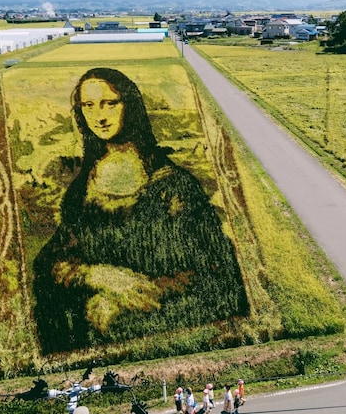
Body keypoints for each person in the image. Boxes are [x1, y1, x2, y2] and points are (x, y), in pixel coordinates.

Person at [33, 67, 249, 354]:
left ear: (129, 106)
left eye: (110, 103)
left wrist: (128, 297)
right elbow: (55, 258)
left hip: (165, 311)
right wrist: (99, 276)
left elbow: (213, 271)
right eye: (88, 105)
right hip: (97, 311)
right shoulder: (83, 187)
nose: (99, 115)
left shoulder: (173, 186)